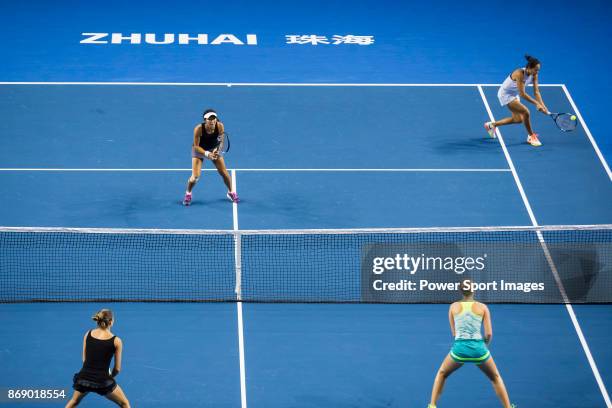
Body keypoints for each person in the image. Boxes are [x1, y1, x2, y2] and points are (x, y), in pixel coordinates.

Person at [427, 279, 515, 408]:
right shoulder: (483, 307)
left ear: (461, 291)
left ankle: (432, 405)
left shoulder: (453, 307)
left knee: (442, 373)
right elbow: (489, 334)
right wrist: (484, 345)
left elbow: (455, 334)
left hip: (459, 351)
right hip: (479, 350)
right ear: (473, 290)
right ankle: (508, 407)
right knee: (495, 377)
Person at [66, 309, 130, 407]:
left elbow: (85, 360)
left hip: (84, 379)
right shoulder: (117, 341)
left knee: (74, 401)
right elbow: (117, 369)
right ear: (111, 321)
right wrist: (110, 377)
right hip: (103, 382)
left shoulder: (87, 334)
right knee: (124, 403)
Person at [484, 55, 548, 147]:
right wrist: (537, 104)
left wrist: (543, 106)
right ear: (529, 68)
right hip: (505, 94)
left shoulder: (534, 75)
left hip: (514, 94)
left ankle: (491, 125)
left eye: (538, 70)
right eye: (536, 69)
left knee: (518, 119)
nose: (537, 72)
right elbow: (522, 94)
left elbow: (536, 92)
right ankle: (531, 136)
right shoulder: (520, 73)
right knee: (526, 112)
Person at [183, 109, 239, 206]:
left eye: (214, 119)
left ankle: (231, 192)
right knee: (195, 177)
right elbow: (196, 146)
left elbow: (221, 141)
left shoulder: (220, 126)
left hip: (213, 148)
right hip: (200, 150)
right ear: (205, 120)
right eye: (210, 119)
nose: (212, 121)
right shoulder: (198, 129)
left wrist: (217, 150)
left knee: (224, 173)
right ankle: (188, 193)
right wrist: (207, 153)